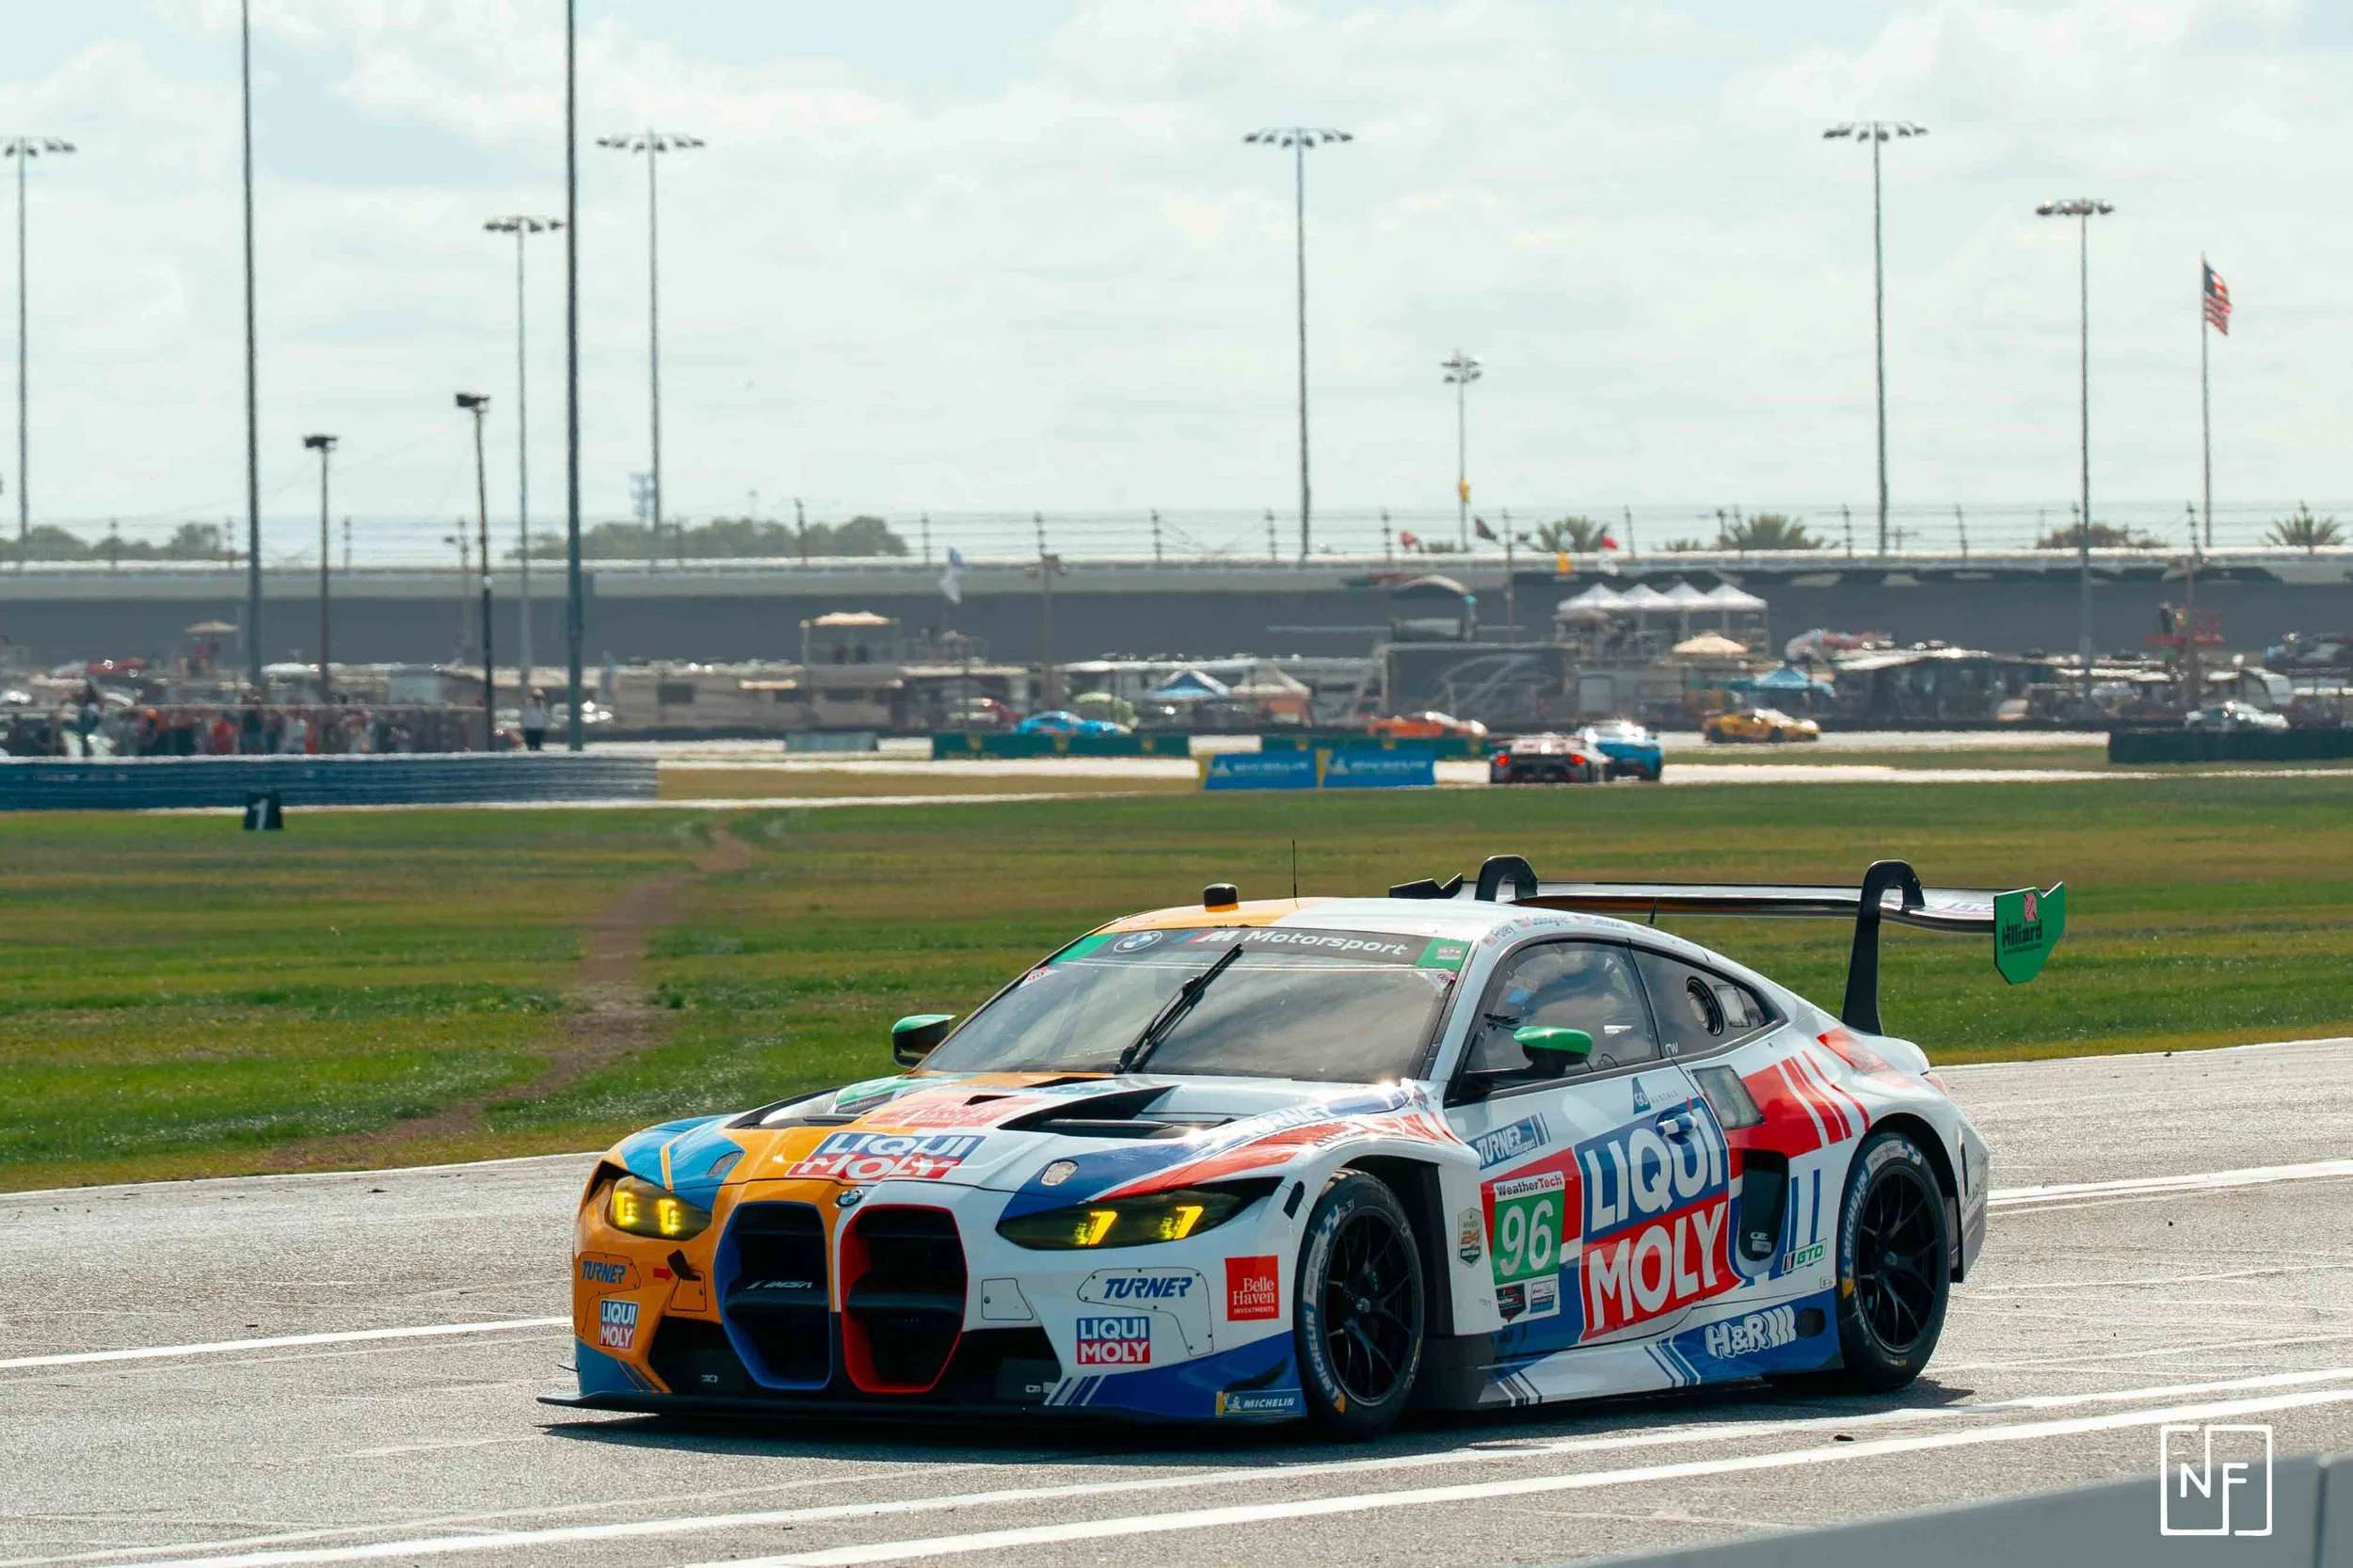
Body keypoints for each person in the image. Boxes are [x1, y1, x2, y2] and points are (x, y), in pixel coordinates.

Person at [520, 687, 549, 752]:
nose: (538, 699)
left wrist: (545, 728)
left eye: (540, 697)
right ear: (533, 698)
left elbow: (545, 718)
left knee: (538, 748)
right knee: (530, 748)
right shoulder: (528, 706)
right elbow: (523, 717)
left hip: (539, 730)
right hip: (530, 730)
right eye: (536, 697)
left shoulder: (543, 707)